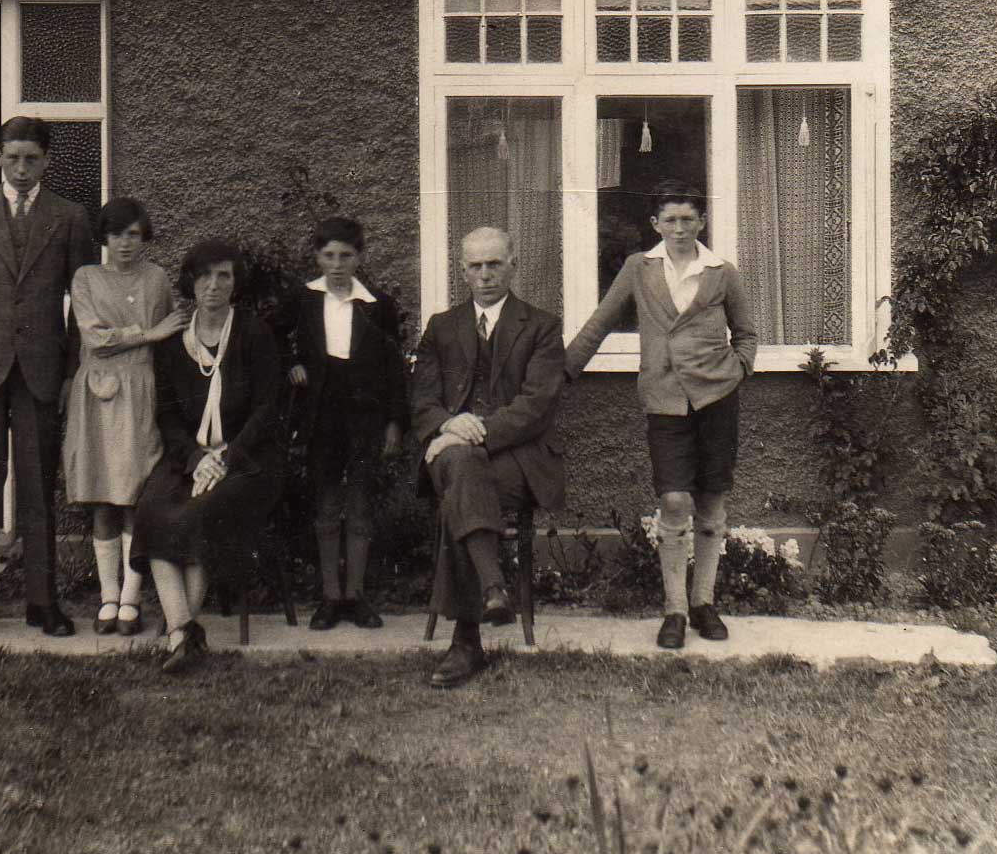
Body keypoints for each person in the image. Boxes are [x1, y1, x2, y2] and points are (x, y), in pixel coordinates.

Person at [565, 182, 757, 650]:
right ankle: (673, 609)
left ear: (701, 223)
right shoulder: (639, 268)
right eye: (669, 220)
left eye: (687, 219)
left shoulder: (722, 272)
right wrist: (559, 375)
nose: (678, 228)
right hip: (665, 399)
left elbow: (746, 332)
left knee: (711, 501)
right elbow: (599, 324)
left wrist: (737, 371)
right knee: (674, 501)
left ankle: (703, 603)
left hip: (716, 400)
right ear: (655, 225)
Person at [0, 117, 94, 639]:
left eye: (32, 158)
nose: (22, 168)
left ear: (47, 161)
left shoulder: (70, 218)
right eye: (12, 157)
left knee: (36, 488)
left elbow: (84, 306)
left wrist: (73, 373)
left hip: (41, 370)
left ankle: (42, 603)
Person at [411, 227, 566, 688]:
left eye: (494, 264)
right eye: (475, 266)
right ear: (462, 271)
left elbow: (535, 406)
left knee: (463, 476)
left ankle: (466, 642)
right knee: (462, 470)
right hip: (454, 452)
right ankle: (492, 588)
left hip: (515, 460)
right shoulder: (442, 326)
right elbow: (421, 399)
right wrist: (446, 425)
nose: (484, 275)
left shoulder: (541, 326)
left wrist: (469, 434)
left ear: (512, 264)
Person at [129, 240, 285, 674]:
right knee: (153, 509)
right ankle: (185, 632)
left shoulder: (254, 334)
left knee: (201, 511)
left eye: (224, 276)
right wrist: (197, 458)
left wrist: (227, 458)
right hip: (190, 456)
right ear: (191, 283)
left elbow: (267, 409)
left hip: (249, 461)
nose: (213, 285)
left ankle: (180, 635)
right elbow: (167, 415)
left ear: (236, 284)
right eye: (204, 276)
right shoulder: (174, 341)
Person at [63, 197, 188, 636]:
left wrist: (152, 339)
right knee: (103, 497)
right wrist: (146, 334)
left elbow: (171, 332)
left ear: (145, 237)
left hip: (142, 391)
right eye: (117, 234)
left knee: (135, 495)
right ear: (105, 237)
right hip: (98, 394)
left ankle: (132, 600)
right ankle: (108, 597)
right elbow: (95, 339)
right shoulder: (86, 278)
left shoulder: (155, 278)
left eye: (134, 234)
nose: (125, 244)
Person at [279, 217, 407, 631]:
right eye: (329, 255)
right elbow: (265, 341)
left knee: (360, 503)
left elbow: (394, 369)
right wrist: (291, 363)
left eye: (346, 256)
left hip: (365, 414)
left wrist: (393, 422)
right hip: (321, 412)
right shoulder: (302, 299)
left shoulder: (378, 306)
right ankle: (329, 596)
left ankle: (356, 595)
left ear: (360, 257)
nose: (337, 264)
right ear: (317, 257)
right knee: (328, 502)